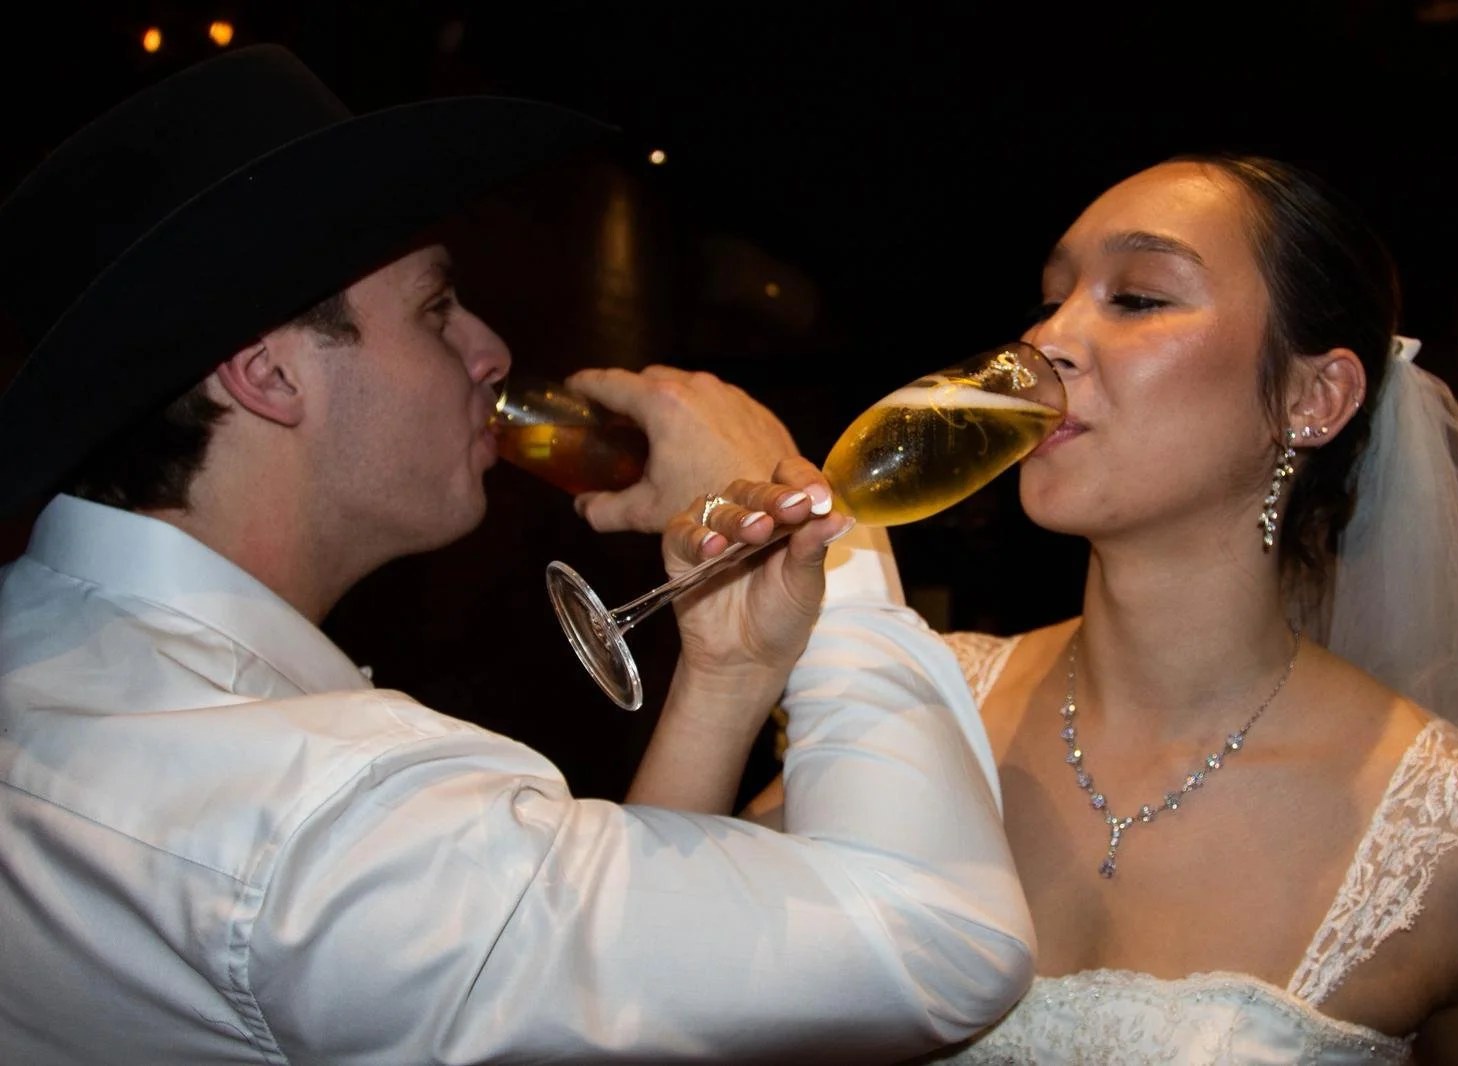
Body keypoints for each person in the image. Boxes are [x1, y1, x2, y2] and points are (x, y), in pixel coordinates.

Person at [0, 45, 1036, 1064]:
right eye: (437, 309)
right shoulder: (310, 817)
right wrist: (824, 518)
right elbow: (943, 939)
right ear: (268, 375)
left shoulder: (53, 658)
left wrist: (723, 680)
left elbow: (582, 990)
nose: (489, 349)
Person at [741, 154, 1458, 1063]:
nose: (1050, 342)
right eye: (1051, 301)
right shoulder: (920, 702)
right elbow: (646, 959)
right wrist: (729, 671)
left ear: (1314, 398)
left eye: (1139, 298)